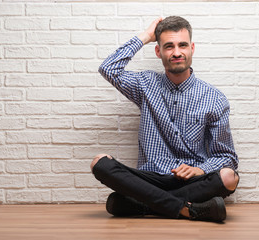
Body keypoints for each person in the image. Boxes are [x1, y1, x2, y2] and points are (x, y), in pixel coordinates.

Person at [91, 16, 239, 222]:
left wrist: (199, 169)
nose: (177, 52)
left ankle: (143, 205)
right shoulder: (145, 84)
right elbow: (109, 68)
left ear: (192, 48)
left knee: (229, 177)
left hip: (190, 182)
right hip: (149, 179)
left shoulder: (214, 98)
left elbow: (227, 157)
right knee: (100, 163)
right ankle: (188, 209)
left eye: (182, 45)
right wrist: (145, 36)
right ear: (158, 51)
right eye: (169, 46)